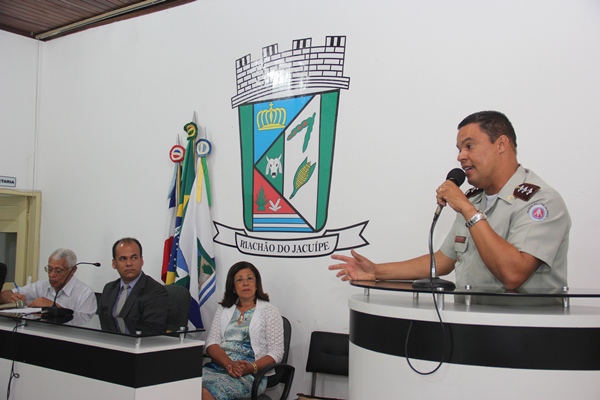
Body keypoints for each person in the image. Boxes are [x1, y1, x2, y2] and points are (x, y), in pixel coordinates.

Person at [330, 111, 571, 293]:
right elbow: (444, 261)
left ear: (501, 144)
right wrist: (377, 271)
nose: (460, 156)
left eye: (469, 146)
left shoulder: (540, 201)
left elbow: (513, 274)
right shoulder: (476, 199)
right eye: (459, 149)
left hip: (529, 335)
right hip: (473, 326)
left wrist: (468, 210)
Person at [202, 261, 284, 400]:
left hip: (250, 375)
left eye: (249, 278)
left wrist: (249, 368)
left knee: (205, 392)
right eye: (239, 280)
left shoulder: (269, 311)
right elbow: (211, 343)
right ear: (233, 287)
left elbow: (276, 352)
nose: (245, 283)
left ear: (256, 284)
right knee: (185, 385)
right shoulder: (224, 309)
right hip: (220, 367)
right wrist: (229, 364)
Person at [0, 248, 97, 319]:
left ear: (73, 270)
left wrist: (54, 308)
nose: (52, 275)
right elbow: (4, 294)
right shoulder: (41, 286)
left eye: (58, 271)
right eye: (49, 269)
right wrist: (11, 297)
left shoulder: (85, 293)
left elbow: (85, 323)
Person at [98, 237, 169, 330]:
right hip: (108, 342)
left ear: (141, 261)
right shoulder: (109, 288)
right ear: (114, 263)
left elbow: (150, 332)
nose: (129, 263)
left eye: (134, 258)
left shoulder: (156, 292)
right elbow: (100, 324)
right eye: (123, 259)